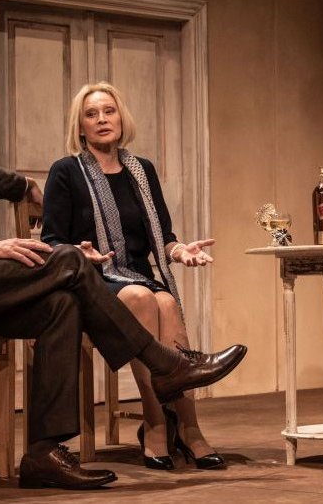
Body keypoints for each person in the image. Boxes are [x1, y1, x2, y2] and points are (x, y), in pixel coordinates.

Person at [0, 65, 247, 490]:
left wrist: (25, 185)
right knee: (68, 260)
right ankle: (166, 365)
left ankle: (43, 453)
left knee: (61, 305)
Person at [42, 82, 225, 470]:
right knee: (144, 298)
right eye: (91, 115)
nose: (102, 120)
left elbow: (165, 237)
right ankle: (156, 421)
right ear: (80, 127)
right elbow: (52, 242)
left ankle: (189, 426)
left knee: (164, 300)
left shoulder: (142, 171)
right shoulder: (66, 172)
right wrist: (82, 253)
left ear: (122, 118)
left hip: (139, 278)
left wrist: (181, 251)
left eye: (108, 111)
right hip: (92, 281)